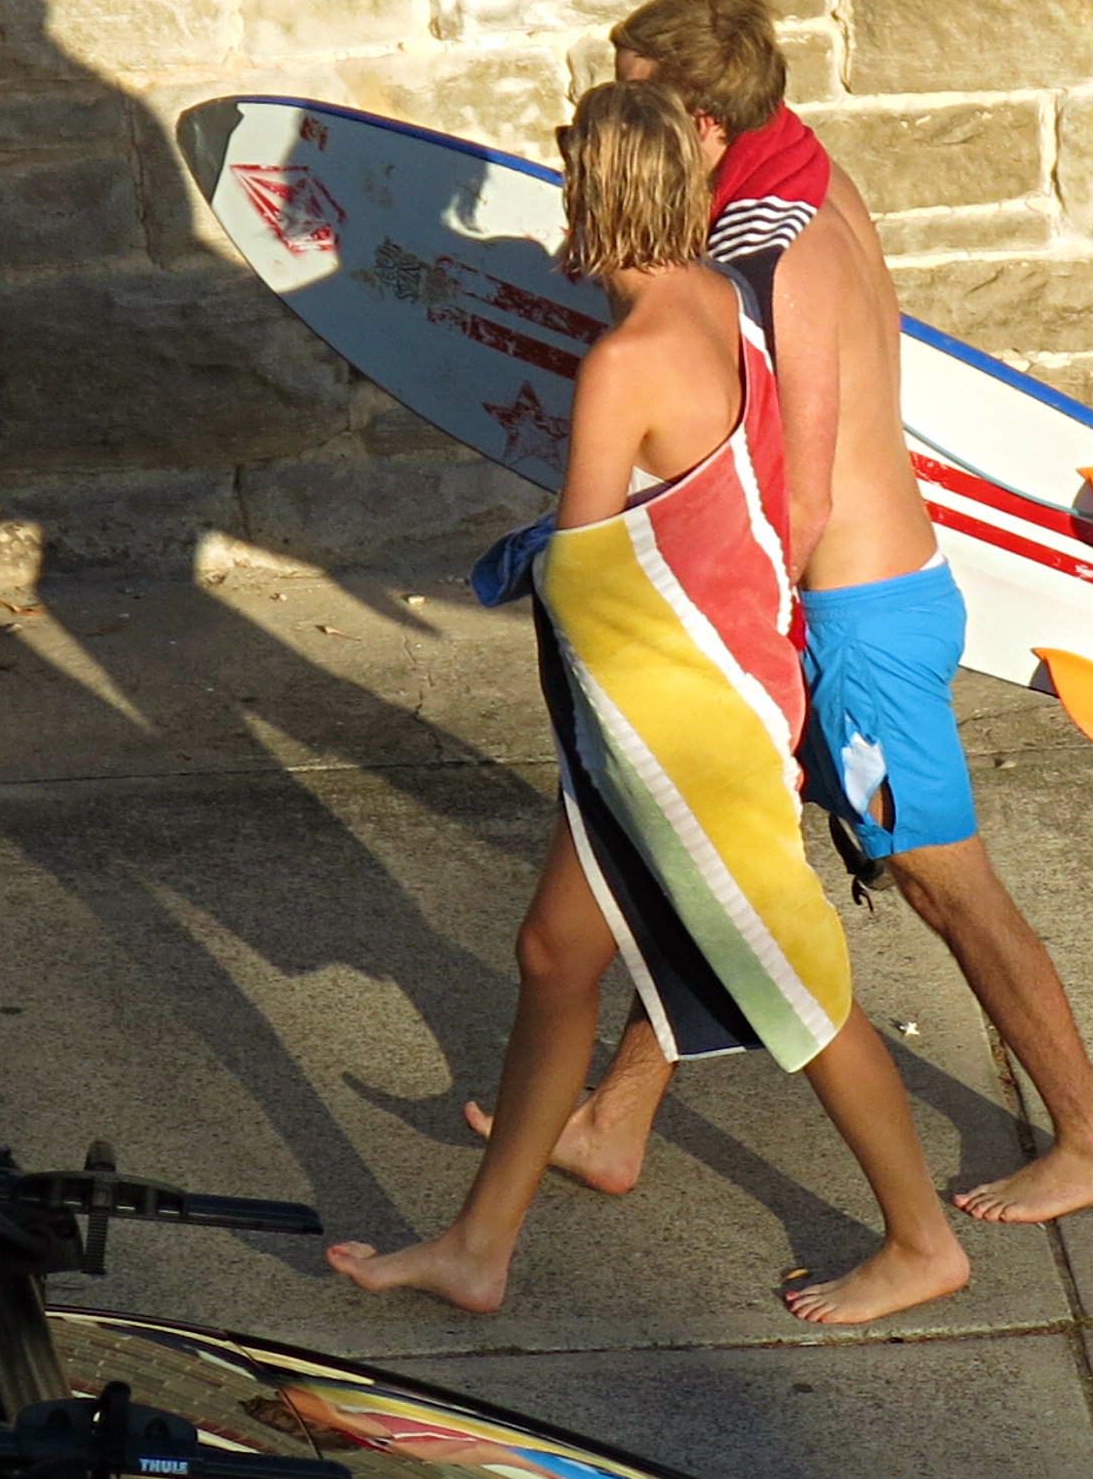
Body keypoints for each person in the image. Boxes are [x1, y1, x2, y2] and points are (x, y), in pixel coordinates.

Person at [473, 0, 1093, 1226]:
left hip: (850, 626)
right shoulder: (800, 176)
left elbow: (797, 493)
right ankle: (614, 1119)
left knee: (941, 881)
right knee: (713, 854)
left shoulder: (765, 249)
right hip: (863, 601)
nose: (616, 117)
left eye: (636, 100)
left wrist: (736, 646)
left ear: (704, 123)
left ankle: (1090, 1135)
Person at [327, 78, 968, 1327]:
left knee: (799, 990)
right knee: (553, 951)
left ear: (597, 198)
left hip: (682, 723)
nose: (560, 207)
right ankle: (478, 1246)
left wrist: (516, 559)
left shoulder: (624, 359)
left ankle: (921, 1238)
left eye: (571, 184)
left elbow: (581, 564)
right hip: (692, 695)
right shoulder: (722, 300)